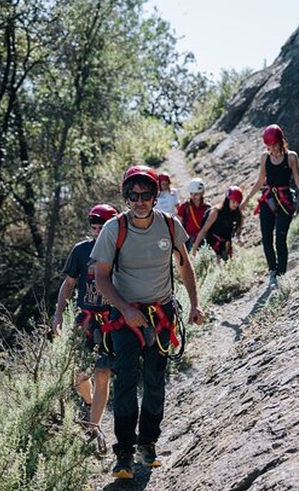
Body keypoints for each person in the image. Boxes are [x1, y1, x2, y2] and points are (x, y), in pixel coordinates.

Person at [91, 165, 205, 480]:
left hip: (161, 316)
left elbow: (184, 266)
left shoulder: (170, 226)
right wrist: (125, 309)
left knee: (155, 381)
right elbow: (101, 277)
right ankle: (124, 454)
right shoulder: (115, 229)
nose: (139, 201)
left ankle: (148, 444)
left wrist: (195, 304)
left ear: (156, 196)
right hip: (125, 318)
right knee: (126, 380)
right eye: (133, 195)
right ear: (126, 196)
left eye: (145, 195)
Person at [52, 203, 118, 450]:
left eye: (103, 227)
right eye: (95, 227)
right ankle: (90, 403)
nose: (98, 231)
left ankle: (94, 426)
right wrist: (58, 314)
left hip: (111, 322)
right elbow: (68, 284)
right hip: (85, 320)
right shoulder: (81, 251)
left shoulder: (120, 251)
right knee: (79, 373)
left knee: (102, 373)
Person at [240, 124, 299, 287]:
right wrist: (247, 199)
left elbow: (298, 179)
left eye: (274, 145)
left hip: (286, 200)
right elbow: (261, 180)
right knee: (266, 238)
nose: (272, 150)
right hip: (268, 200)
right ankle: (273, 272)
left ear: (281, 142)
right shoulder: (265, 158)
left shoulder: (291, 157)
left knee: (280, 239)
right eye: (269, 147)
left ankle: (281, 274)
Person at [191, 186, 244, 263]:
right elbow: (203, 230)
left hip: (225, 245)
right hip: (210, 243)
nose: (235, 205)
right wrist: (194, 249)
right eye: (233, 202)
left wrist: (239, 239)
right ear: (228, 200)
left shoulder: (237, 214)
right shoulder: (216, 212)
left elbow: (238, 232)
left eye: (237, 203)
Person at [176, 177, 211, 250]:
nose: (193, 196)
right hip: (188, 239)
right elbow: (178, 223)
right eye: (191, 194)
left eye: (196, 194)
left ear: (202, 193)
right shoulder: (185, 206)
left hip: (203, 237)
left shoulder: (207, 207)